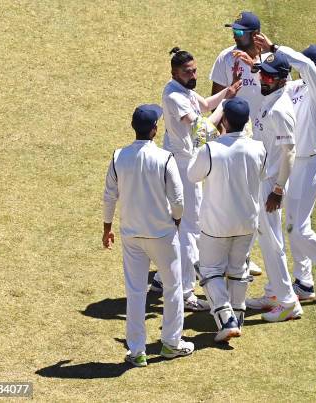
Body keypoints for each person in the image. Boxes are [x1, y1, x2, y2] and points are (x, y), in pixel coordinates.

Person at [249, 33, 316, 300]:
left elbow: (303, 65)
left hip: (308, 164)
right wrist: (259, 60)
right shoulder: (296, 87)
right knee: (292, 225)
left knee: (297, 227)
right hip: (291, 163)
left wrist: (274, 47)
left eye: (304, 63)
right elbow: (279, 83)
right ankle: (303, 283)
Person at [102, 104, 194, 366]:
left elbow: (109, 196)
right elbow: (177, 200)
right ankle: (171, 343)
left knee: (135, 292)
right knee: (173, 288)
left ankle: (137, 351)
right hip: (162, 235)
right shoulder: (165, 158)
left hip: (131, 236)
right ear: (155, 129)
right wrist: (175, 220)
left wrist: (107, 229)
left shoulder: (119, 156)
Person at [152, 48, 242, 311]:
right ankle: (186, 291)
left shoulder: (185, 90)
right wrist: (226, 104)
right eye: (187, 72)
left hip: (184, 161)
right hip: (182, 165)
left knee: (184, 225)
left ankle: (161, 278)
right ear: (174, 73)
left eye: (194, 70)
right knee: (190, 228)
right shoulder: (174, 95)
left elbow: (205, 106)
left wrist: (228, 91)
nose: (193, 75)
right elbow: (201, 128)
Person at [187, 97, 266, 342]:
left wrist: (201, 144)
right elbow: (262, 175)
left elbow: (192, 175)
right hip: (247, 222)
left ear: (225, 121)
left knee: (210, 271)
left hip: (216, 225)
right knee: (238, 270)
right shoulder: (259, 148)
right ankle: (238, 316)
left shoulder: (210, 149)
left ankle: (227, 319)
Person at [244, 53, 303, 322]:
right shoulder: (271, 99)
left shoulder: (279, 109)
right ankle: (274, 293)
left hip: (270, 184)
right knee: (268, 239)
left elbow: (290, 152)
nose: (263, 79)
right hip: (262, 179)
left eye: (269, 76)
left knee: (272, 242)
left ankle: (289, 302)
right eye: (262, 74)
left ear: (281, 80)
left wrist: (277, 190)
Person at [210, 11, 267, 277]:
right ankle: (237, 256)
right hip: (235, 138)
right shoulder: (225, 58)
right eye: (234, 30)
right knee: (233, 196)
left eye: (241, 32)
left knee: (255, 199)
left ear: (255, 35)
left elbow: (281, 91)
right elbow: (216, 98)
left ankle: (244, 255)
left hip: (264, 139)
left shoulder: (271, 61)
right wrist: (223, 136)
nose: (235, 35)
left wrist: (257, 64)